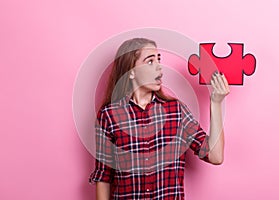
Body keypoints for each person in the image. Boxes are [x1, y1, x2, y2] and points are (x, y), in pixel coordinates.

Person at [89, 38, 230, 200]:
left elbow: (215, 156)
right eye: (150, 61)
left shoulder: (176, 111)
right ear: (131, 71)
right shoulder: (109, 115)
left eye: (159, 60)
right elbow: (103, 177)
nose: (158, 67)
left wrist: (216, 103)